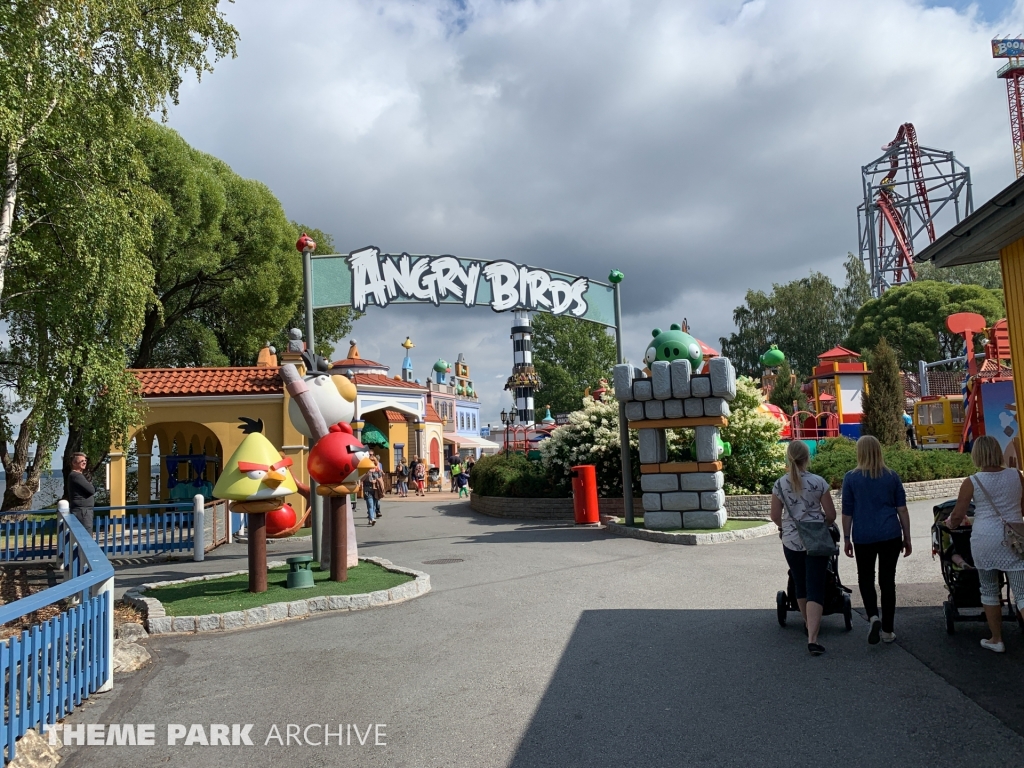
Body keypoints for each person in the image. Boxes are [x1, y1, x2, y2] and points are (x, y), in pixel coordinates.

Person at [946, 434, 1024, 653]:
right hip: (1015, 540)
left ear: (977, 455)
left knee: (989, 589)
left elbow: (958, 515)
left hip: (984, 540)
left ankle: (996, 639)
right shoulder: (1016, 475)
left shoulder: (972, 481)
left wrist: (950, 523)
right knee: (1022, 593)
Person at [842, 435, 912, 645]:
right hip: (890, 533)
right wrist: (907, 537)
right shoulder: (892, 476)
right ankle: (888, 630)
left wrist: (846, 538)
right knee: (887, 581)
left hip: (863, 536)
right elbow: (902, 509)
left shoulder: (851, 478)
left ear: (859, 452)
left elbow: (847, 513)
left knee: (865, 578)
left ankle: (873, 616)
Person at [770, 440, 836, 656]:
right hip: (815, 540)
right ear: (807, 458)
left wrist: (786, 527)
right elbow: (831, 515)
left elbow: (775, 516)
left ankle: (808, 624)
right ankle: (813, 638)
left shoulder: (779, 484)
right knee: (816, 584)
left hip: (791, 541)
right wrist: (820, 525)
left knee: (800, 584)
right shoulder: (818, 482)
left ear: (789, 458)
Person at [66, 452, 96, 533]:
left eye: (85, 461)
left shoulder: (76, 475)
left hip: (83, 510)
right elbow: (91, 490)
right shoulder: (76, 476)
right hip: (82, 512)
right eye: (81, 461)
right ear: (74, 463)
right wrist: (90, 484)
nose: (84, 462)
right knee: (86, 536)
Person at [362, 457, 384, 525]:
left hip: (375, 490)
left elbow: (381, 478)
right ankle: (372, 518)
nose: (372, 462)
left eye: (373, 461)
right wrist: (367, 475)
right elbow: (361, 479)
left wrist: (376, 480)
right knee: (370, 505)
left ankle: (370, 519)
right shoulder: (365, 470)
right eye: (371, 461)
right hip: (367, 489)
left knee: (374, 505)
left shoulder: (377, 469)